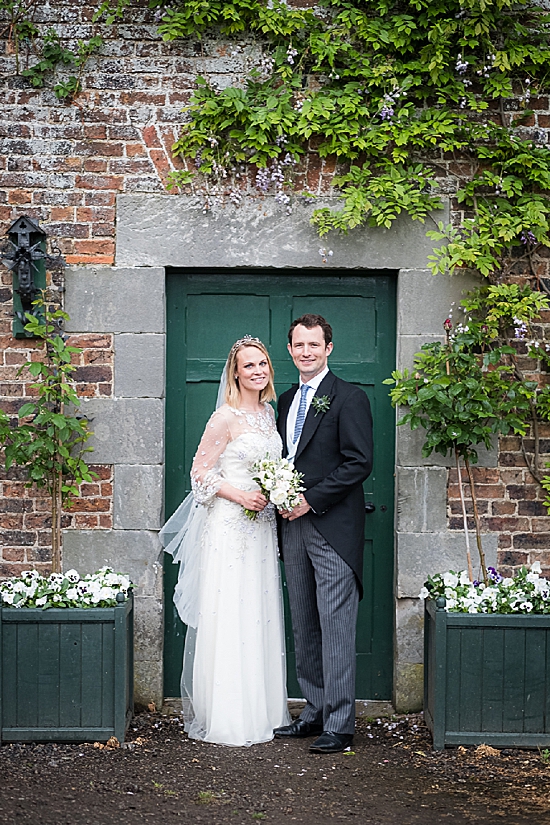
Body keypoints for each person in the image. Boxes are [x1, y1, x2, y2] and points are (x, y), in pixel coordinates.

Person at [160, 336, 290, 746]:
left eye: (263, 364)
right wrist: (240, 495)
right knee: (232, 611)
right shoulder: (224, 418)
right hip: (231, 525)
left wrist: (275, 491)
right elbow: (200, 474)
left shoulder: (270, 415)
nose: (258, 371)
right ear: (235, 372)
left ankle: (265, 712)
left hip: (262, 526)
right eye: (249, 365)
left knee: (259, 609)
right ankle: (230, 716)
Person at [274, 314, 373, 754]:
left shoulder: (349, 398)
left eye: (315, 345)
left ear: (328, 348)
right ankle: (313, 711)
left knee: (335, 626)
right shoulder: (286, 398)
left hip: (330, 525)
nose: (307, 352)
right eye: (299, 345)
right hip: (290, 526)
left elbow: (358, 462)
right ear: (291, 350)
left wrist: (310, 499)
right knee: (305, 622)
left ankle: (340, 722)